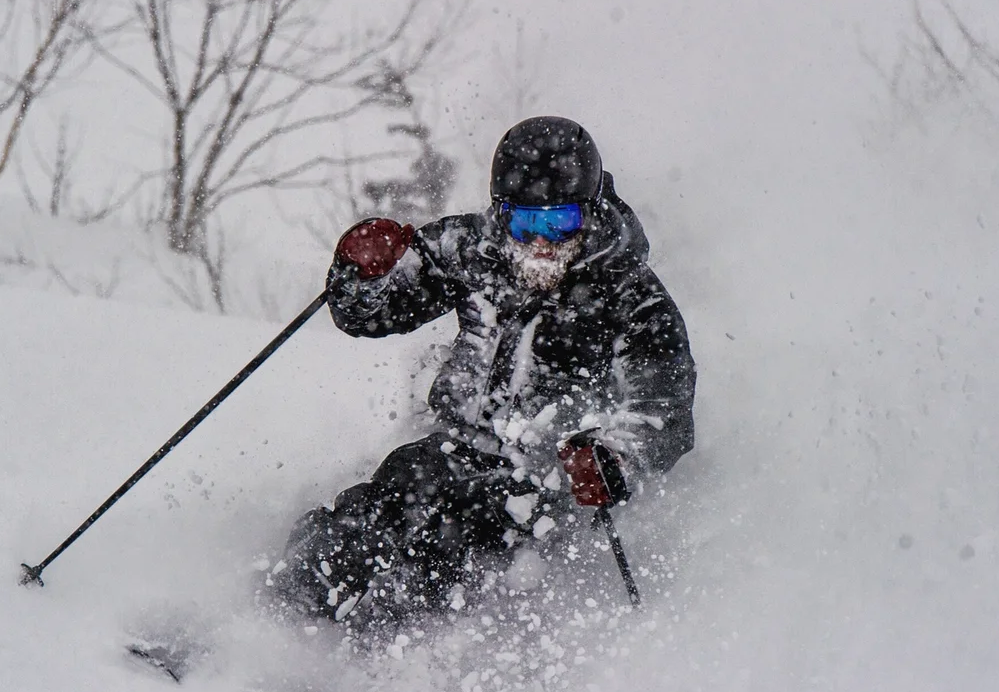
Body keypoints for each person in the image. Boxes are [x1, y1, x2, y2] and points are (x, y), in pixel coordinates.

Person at [264, 116, 696, 636]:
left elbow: (663, 412)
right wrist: (360, 272)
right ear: (500, 212)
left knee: (445, 546)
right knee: (372, 518)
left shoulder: (631, 296)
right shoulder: (474, 251)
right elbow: (369, 314)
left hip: (546, 482)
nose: (540, 243)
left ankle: (383, 662)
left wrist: (612, 459)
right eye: (524, 224)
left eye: (559, 223)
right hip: (452, 449)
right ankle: (267, 628)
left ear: (590, 211)